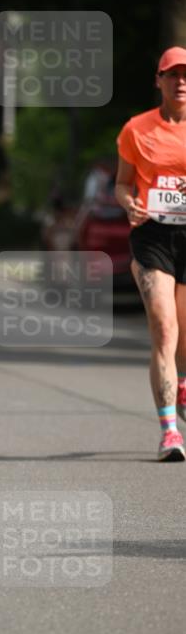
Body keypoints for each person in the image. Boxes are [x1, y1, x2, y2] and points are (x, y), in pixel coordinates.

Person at [115, 45, 186, 462]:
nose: (180, 82)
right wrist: (129, 204)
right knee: (164, 328)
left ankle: (180, 382)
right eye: (172, 75)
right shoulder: (137, 129)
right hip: (153, 236)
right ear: (158, 81)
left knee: (185, 338)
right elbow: (122, 184)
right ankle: (169, 431)